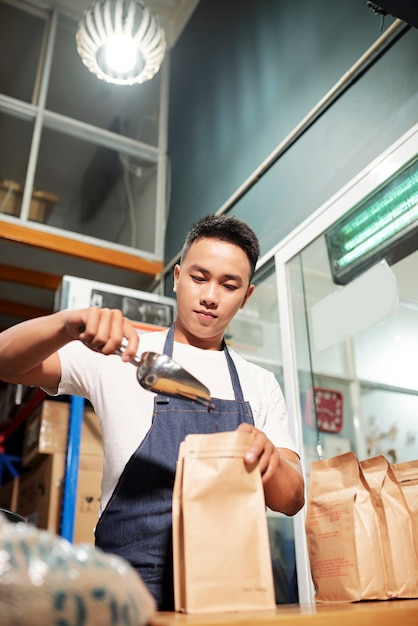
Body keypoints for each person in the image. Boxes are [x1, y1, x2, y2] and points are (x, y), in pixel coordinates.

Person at [0, 214, 305, 610]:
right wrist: (67, 324)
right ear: (176, 278)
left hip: (231, 590)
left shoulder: (259, 383)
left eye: (228, 285)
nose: (211, 295)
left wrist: (271, 463)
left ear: (246, 295)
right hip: (130, 593)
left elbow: (292, 499)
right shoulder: (119, 352)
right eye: (199, 277)